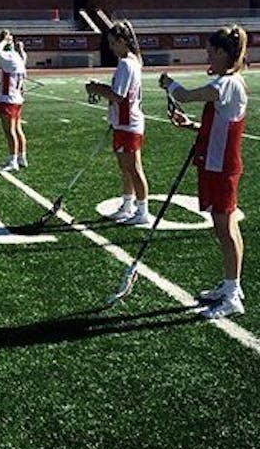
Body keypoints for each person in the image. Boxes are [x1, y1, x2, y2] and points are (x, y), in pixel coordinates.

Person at [160, 25, 249, 319]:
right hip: (214, 164)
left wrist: (169, 84)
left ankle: (233, 294)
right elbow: (221, 126)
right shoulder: (227, 83)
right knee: (224, 229)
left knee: (225, 230)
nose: (207, 58)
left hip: (222, 167)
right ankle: (229, 284)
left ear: (224, 53)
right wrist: (192, 126)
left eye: (211, 53)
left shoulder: (227, 84)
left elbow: (185, 95)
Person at [85, 21, 149, 225]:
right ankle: (128, 205)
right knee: (126, 168)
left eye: (113, 43)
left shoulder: (126, 63)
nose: (111, 48)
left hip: (128, 122)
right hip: (124, 122)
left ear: (122, 41)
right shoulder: (132, 61)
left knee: (133, 168)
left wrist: (96, 89)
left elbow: (118, 95)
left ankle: (142, 211)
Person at [0, 30, 28, 171]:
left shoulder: (9, 58)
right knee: (18, 130)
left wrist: (5, 40)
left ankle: (13, 160)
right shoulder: (18, 57)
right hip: (16, 99)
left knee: (9, 131)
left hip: (9, 99)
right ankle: (21, 157)